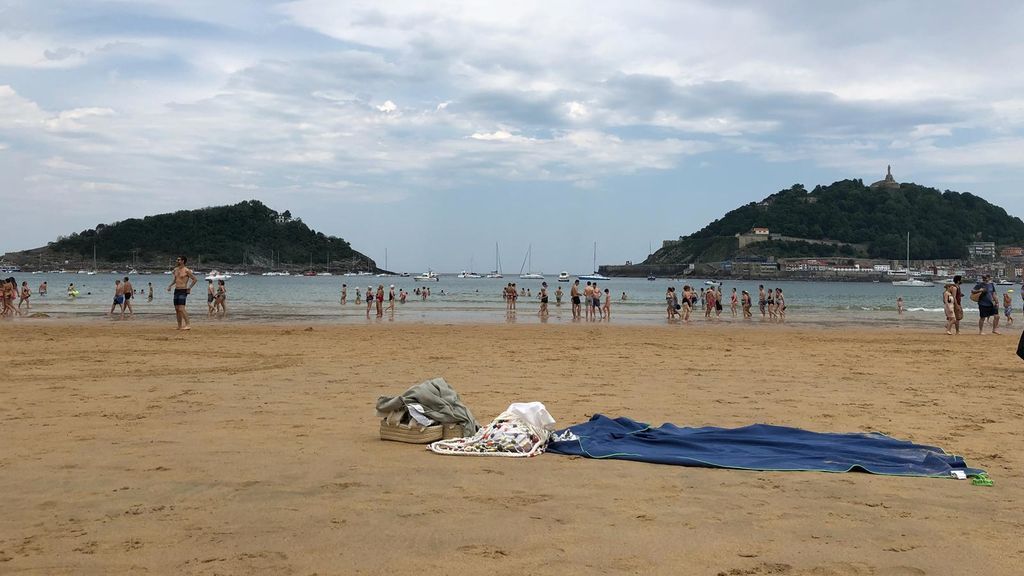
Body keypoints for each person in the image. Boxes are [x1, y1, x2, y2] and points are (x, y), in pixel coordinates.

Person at [166, 256, 198, 330]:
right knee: (177, 309)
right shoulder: (176, 270)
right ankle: (179, 326)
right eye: (177, 259)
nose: (177, 261)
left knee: (181, 308)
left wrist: (189, 287)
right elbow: (175, 279)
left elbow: (194, 279)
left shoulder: (186, 270)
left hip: (183, 290)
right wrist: (170, 286)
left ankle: (188, 325)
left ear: (183, 261)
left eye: (178, 260)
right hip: (176, 290)